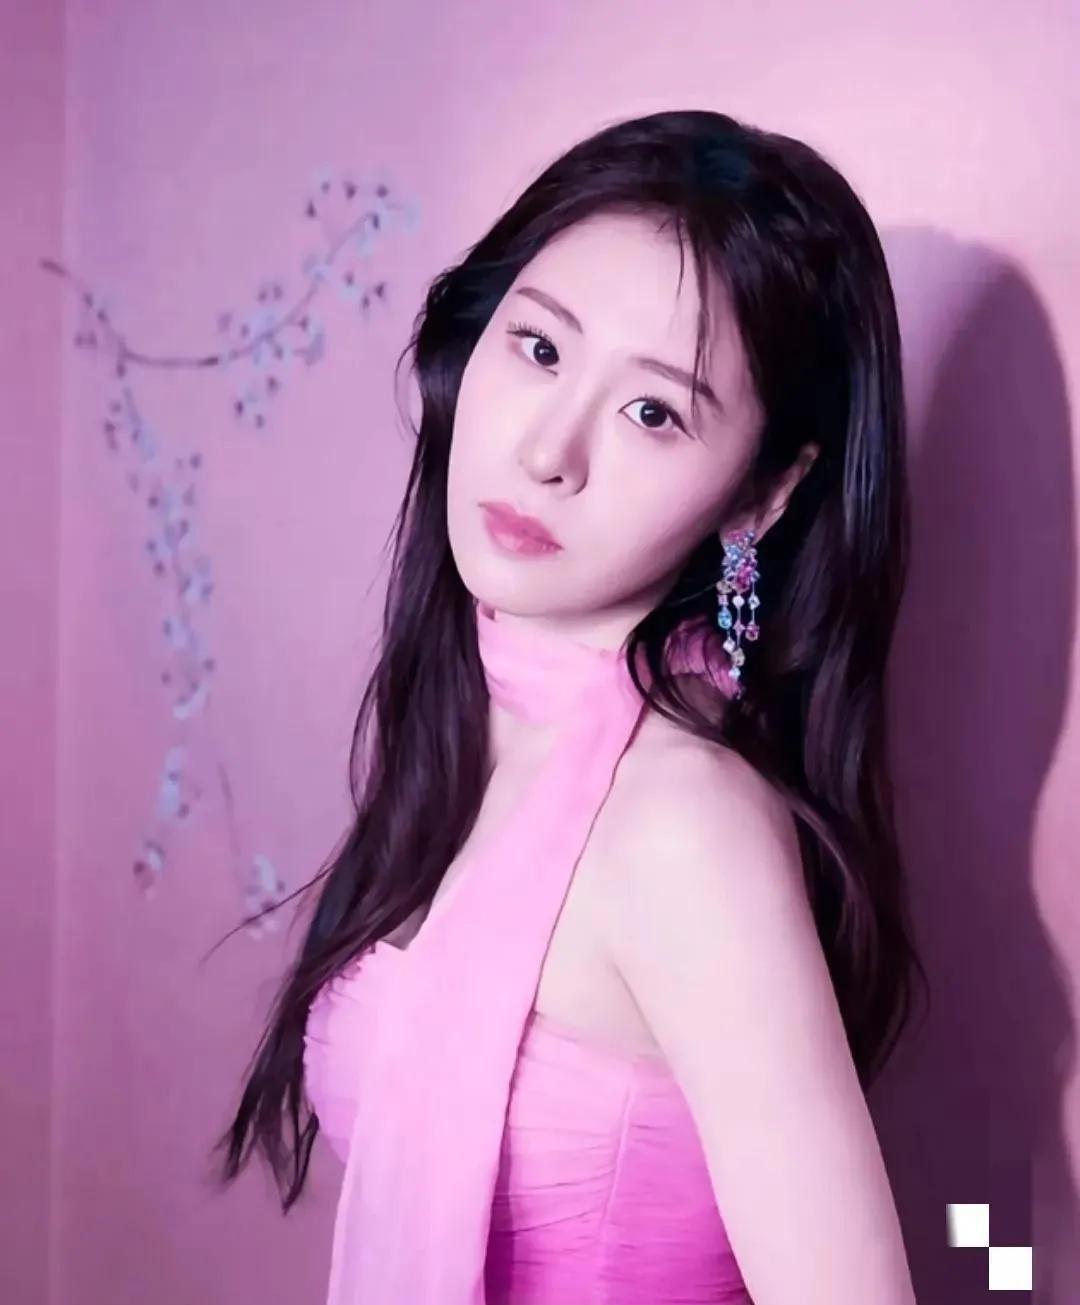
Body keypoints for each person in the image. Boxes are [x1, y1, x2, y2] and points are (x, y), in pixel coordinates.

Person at [215, 108, 928, 1304]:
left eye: (653, 412)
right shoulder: (480, 732)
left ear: (761, 493)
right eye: (540, 349)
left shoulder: (681, 828)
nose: (550, 450)